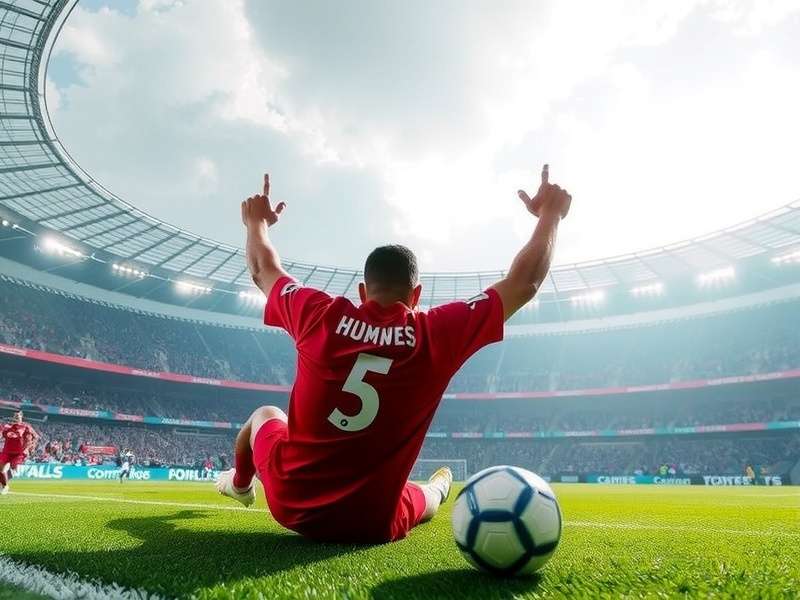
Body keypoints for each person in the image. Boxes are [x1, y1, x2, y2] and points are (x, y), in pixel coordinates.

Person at [216, 165, 571, 543]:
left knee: (265, 415)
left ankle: (239, 484)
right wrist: (551, 215)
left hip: (291, 504)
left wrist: (256, 223)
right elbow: (524, 282)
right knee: (423, 500)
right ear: (415, 296)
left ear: (362, 291)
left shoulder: (317, 313)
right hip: (371, 523)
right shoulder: (436, 333)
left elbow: (262, 269)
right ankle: (438, 487)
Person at [0, 410, 39, 495]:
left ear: (21, 416)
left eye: (18, 416)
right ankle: (5, 486)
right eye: (15, 416)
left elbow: (36, 437)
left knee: (14, 468)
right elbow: (1, 435)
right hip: (6, 451)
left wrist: (31, 447)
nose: (16, 417)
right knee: (1, 469)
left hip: (19, 452)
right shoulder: (7, 426)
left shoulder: (26, 426)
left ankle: (5, 480)